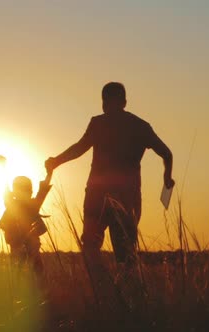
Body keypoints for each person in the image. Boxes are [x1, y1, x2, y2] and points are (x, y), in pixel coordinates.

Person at [45, 82, 174, 273]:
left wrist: (56, 161)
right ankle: (123, 289)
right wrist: (167, 177)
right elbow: (167, 154)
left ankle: (101, 283)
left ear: (104, 103)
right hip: (126, 196)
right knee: (126, 251)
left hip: (97, 195)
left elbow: (80, 148)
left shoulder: (99, 123)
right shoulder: (140, 126)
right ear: (124, 102)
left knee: (90, 244)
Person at [0, 174, 52, 282]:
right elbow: (42, 191)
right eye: (23, 190)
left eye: (27, 190)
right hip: (19, 247)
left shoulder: (29, 205)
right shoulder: (13, 204)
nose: (27, 193)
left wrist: (49, 174)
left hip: (31, 249)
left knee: (34, 274)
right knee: (20, 275)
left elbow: (42, 191)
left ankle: (39, 290)